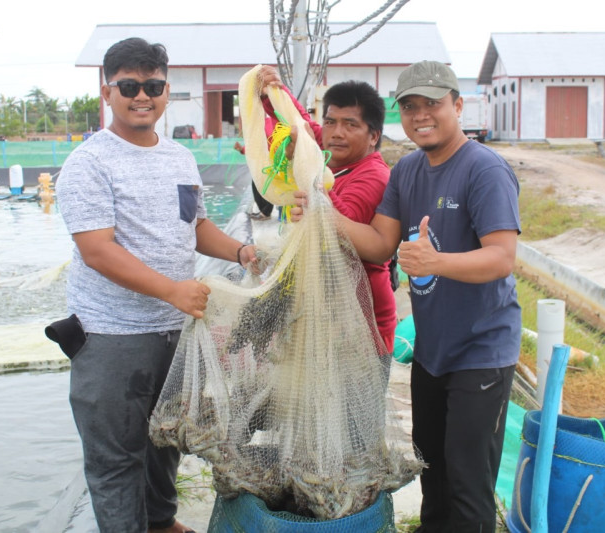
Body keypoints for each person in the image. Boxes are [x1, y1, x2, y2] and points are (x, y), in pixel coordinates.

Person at [292, 60, 521, 532]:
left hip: (480, 351)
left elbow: (502, 257)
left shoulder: (484, 170)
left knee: (468, 482)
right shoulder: (409, 170)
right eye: (410, 106)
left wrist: (437, 262)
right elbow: (380, 243)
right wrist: (322, 213)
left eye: (432, 104)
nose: (421, 115)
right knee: (432, 470)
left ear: (458, 105)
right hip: (432, 351)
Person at [55, 37, 259, 533]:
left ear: (166, 91)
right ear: (108, 92)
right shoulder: (89, 163)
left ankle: (162, 521)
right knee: (116, 456)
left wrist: (241, 252)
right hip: (111, 334)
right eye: (129, 86)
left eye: (153, 85)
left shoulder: (179, 158)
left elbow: (196, 226)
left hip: (174, 329)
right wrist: (172, 290)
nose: (141, 96)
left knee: (165, 437)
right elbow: (97, 250)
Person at [256, 67, 398, 354]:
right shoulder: (332, 146)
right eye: (331, 122)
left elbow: (343, 227)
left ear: (373, 136)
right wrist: (271, 94)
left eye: (351, 125)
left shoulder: (374, 176)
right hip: (325, 316)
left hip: (362, 326)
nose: (336, 133)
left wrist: (309, 167)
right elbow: (300, 123)